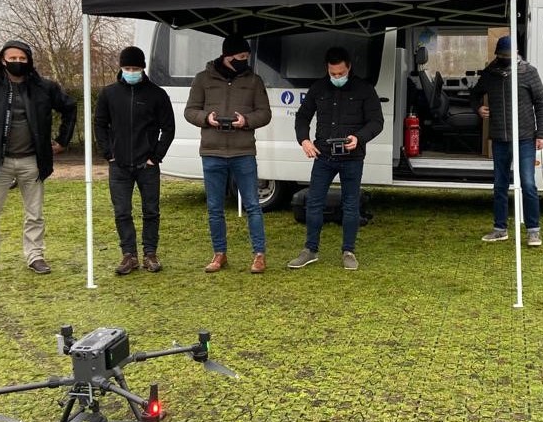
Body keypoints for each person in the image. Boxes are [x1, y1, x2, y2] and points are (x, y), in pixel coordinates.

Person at [0, 40, 78, 278]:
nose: (18, 63)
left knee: (35, 213)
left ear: (29, 60)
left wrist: (62, 140)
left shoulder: (44, 87)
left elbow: (69, 107)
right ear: (3, 59)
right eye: (13, 58)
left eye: (23, 59)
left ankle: (35, 256)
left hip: (33, 160)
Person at [288, 46, 384, 271]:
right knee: (314, 202)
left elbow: (376, 122)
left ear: (349, 67)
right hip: (323, 155)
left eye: (341, 73)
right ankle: (310, 250)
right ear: (327, 69)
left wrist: (359, 138)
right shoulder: (318, 88)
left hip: (353, 157)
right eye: (333, 73)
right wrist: (304, 140)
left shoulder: (365, 89)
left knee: (351, 205)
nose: (337, 77)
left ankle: (348, 251)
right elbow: (303, 116)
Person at [184, 34, 271, 274]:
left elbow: (265, 113)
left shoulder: (254, 81)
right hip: (212, 152)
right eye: (241, 57)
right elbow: (190, 111)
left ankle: (259, 255)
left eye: (246, 57)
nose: (245, 61)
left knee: (253, 204)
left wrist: (246, 121)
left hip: (243, 152)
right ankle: (219, 253)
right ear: (228, 56)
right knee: (214, 207)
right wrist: (206, 119)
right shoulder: (202, 79)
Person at [94, 46, 175, 275]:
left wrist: (155, 157)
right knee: (122, 211)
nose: (131, 71)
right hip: (118, 165)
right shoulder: (108, 94)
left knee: (151, 211)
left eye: (136, 68)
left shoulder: (157, 94)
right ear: (121, 68)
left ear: (142, 69)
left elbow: (168, 128)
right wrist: (108, 153)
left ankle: (150, 253)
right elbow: (100, 124)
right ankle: (128, 255)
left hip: (147, 165)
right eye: (128, 68)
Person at [470, 35, 543, 246]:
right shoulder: (490, 73)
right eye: (501, 55)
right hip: (499, 137)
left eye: (507, 55)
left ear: (516, 54)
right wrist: (478, 107)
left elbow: (541, 103)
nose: (504, 58)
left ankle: (533, 230)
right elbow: (474, 94)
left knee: (528, 183)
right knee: (500, 184)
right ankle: (500, 229)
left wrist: (541, 134)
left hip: (524, 137)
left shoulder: (529, 72)